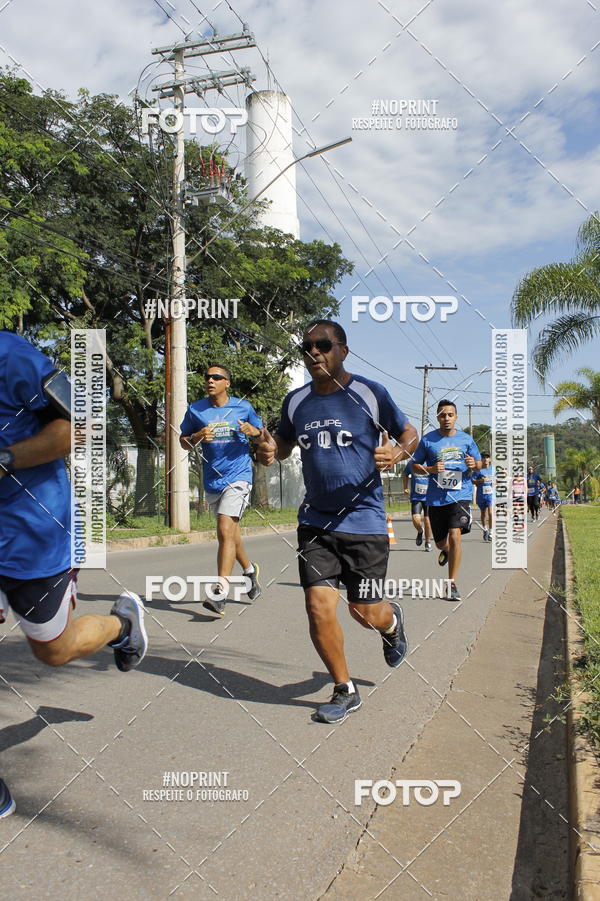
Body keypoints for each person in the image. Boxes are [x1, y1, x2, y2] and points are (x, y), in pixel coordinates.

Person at [256, 320, 418, 724]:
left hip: (364, 521)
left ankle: (391, 621)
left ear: (343, 350)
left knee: (364, 613)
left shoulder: (369, 393)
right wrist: (268, 450)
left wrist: (398, 452)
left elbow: (409, 432)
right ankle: (345, 688)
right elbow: (283, 444)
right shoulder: (295, 401)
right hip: (316, 523)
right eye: (307, 347)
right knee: (317, 605)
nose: (314, 353)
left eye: (323, 345)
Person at [0, 330, 147, 672]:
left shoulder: (10, 354)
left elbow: (82, 424)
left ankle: (121, 625)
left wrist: (5, 461)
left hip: (33, 533)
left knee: (55, 650)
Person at [180, 364, 262, 616]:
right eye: (207, 377)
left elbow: (262, 434)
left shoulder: (243, 407)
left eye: (217, 377)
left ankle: (220, 593)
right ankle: (249, 571)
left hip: (238, 476)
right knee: (230, 534)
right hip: (212, 480)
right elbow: (183, 442)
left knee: (225, 529)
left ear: (227, 382)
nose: (210, 380)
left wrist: (253, 431)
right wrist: (196, 437)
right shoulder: (196, 409)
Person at [412, 400, 482, 602]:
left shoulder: (466, 439)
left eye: (450, 415)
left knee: (455, 535)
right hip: (435, 499)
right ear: (438, 418)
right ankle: (446, 552)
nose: (446, 418)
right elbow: (415, 465)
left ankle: (451, 584)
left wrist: (473, 463)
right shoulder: (428, 441)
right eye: (443, 415)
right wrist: (431, 469)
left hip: (460, 496)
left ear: (456, 417)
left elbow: (478, 464)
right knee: (441, 542)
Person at [402, 459, 432, 551]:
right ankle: (420, 531)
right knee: (416, 519)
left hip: (429, 497)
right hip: (416, 497)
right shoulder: (412, 463)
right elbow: (405, 474)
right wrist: (405, 487)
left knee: (427, 521)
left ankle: (428, 542)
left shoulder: (431, 461)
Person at [473, 452, 495, 541]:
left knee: (491, 512)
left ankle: (491, 532)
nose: (485, 459)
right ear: (481, 460)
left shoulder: (493, 470)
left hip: (490, 494)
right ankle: (485, 529)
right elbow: (473, 481)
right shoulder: (478, 470)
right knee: (483, 514)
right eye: (484, 457)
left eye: (487, 457)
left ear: (489, 459)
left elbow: (497, 480)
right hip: (481, 495)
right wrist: (481, 480)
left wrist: (495, 481)